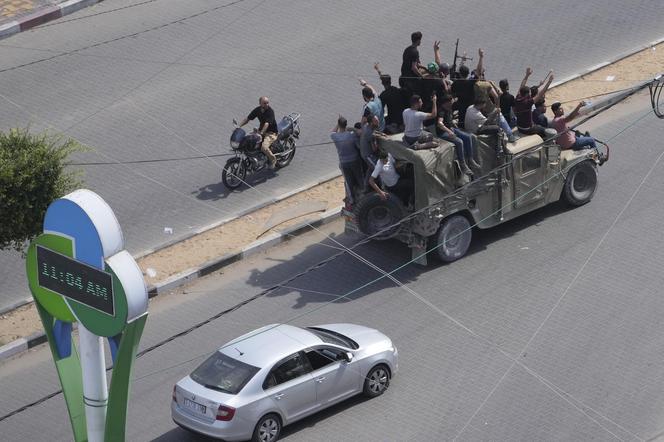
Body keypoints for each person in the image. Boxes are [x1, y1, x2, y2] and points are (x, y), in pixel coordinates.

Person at [436, 95, 479, 176]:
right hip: (443, 132)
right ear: (447, 102)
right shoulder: (441, 111)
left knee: (468, 137)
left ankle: (470, 159)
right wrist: (449, 132)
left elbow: (450, 121)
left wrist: (457, 129)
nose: (453, 103)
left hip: (452, 128)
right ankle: (463, 164)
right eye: (451, 102)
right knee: (459, 142)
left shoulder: (449, 109)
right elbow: (440, 124)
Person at [331, 116, 364, 206]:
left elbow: (333, 131)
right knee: (360, 178)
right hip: (355, 160)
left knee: (349, 182)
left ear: (339, 125)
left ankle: (352, 199)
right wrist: (350, 128)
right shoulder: (351, 135)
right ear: (346, 124)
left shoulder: (335, 136)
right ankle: (364, 194)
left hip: (344, 162)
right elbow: (359, 133)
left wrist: (337, 124)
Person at [238, 96, 278, 169]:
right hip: (261, 131)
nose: (267, 104)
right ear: (260, 104)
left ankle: (273, 160)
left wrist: (261, 133)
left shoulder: (270, 111)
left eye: (267, 103)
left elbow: (267, 124)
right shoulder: (258, 110)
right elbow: (247, 119)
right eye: (264, 103)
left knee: (264, 147)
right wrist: (239, 126)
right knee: (248, 140)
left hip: (271, 133)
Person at [514, 68, 554, 137]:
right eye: (529, 93)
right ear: (526, 94)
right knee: (545, 130)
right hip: (527, 129)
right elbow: (540, 94)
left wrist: (527, 75)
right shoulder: (528, 103)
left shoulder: (517, 98)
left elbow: (522, 86)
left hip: (519, 127)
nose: (530, 94)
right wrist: (549, 82)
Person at [373, 63, 408, 134]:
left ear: (382, 83)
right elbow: (384, 79)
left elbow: (380, 110)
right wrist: (378, 71)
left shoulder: (384, 95)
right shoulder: (397, 90)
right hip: (402, 117)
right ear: (390, 81)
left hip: (394, 120)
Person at [451, 64, 475, 129]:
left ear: (460, 74)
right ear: (467, 74)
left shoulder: (456, 83)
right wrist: (481, 57)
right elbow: (478, 74)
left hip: (460, 103)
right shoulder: (471, 82)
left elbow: (452, 94)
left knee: (453, 109)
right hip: (470, 105)